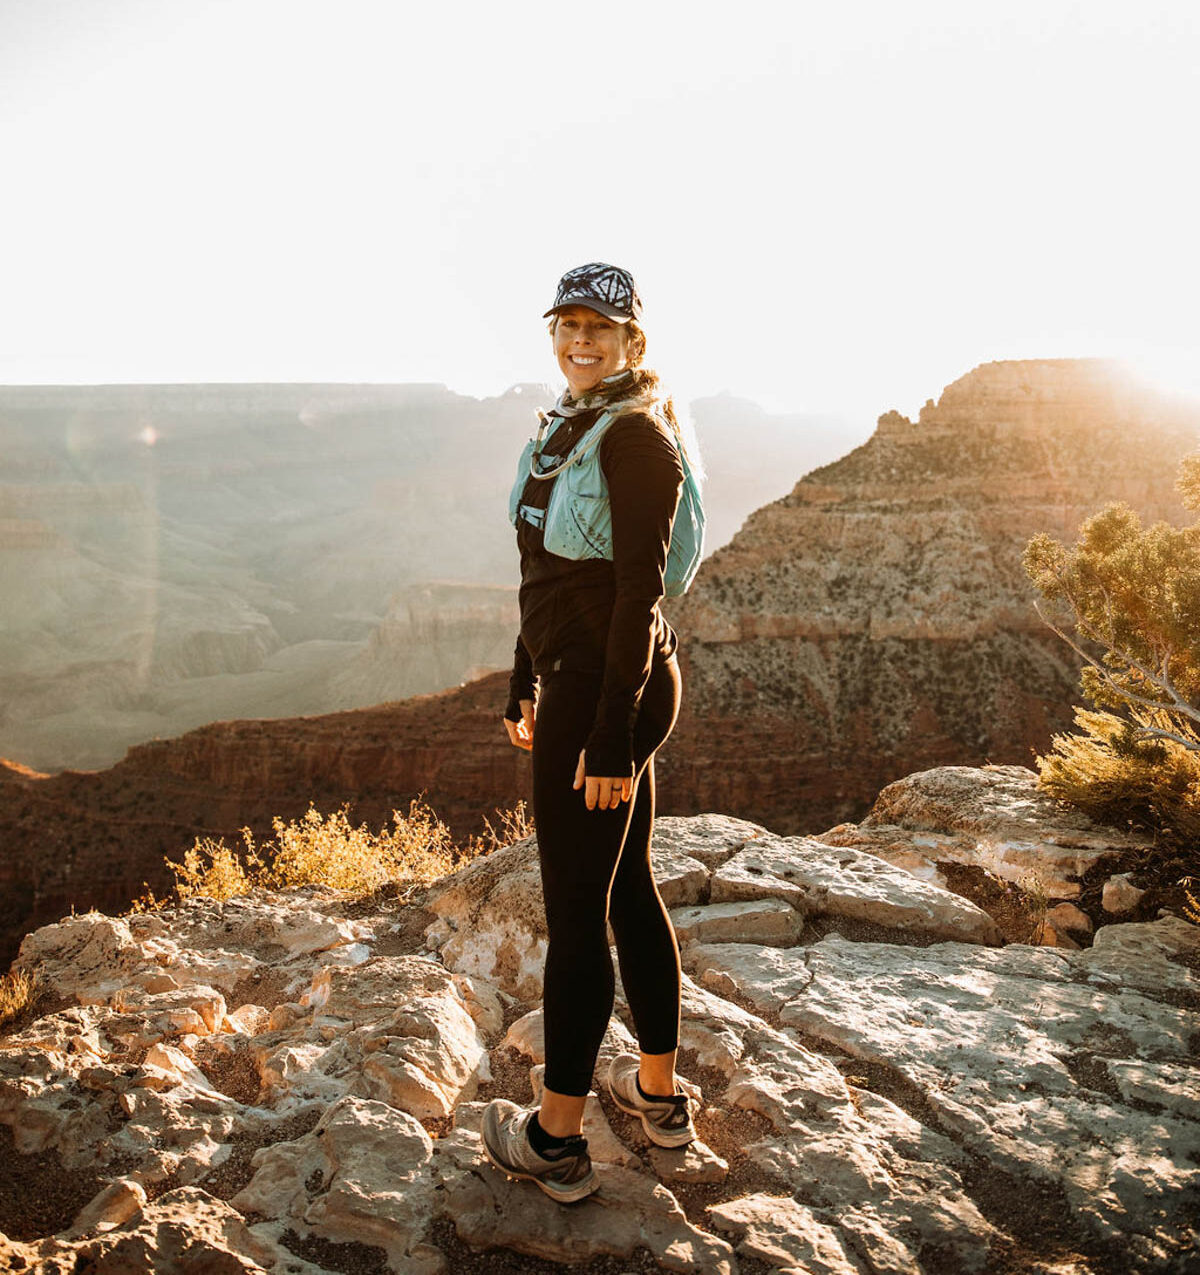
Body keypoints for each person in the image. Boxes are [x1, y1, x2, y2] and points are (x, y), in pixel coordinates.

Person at [480, 262, 700, 1203]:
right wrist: (523, 672)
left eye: (601, 329)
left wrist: (607, 740)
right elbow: (548, 573)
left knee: (576, 914)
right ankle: (658, 1093)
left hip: (611, 693)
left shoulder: (637, 438)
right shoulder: (570, 423)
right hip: (578, 683)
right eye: (568, 324)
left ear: (632, 342)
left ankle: (557, 1137)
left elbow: (637, 593)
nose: (581, 340)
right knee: (627, 888)